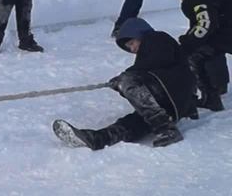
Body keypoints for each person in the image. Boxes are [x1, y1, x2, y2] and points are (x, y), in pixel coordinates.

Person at [53, 17, 198, 150]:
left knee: (127, 81)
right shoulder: (147, 53)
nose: (132, 49)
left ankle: (166, 129)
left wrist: (123, 79)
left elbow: (155, 62)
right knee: (135, 122)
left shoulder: (157, 38)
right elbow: (143, 79)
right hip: (171, 103)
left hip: (174, 89)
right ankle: (97, 139)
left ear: (139, 33)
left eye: (132, 43)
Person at [163, 0, 232, 111]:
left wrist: (188, 42)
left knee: (194, 56)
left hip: (225, 33)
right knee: (201, 52)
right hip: (223, 33)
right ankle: (211, 97)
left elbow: (206, 24)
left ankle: (210, 97)